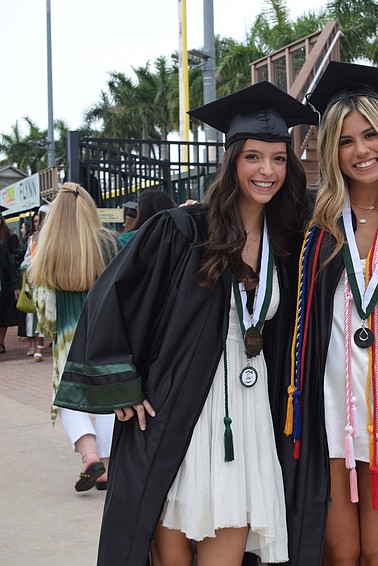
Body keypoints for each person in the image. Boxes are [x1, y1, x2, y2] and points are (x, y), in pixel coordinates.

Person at [53, 81, 316, 565]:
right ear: (232, 160)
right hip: (179, 415)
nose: (267, 170)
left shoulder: (288, 241)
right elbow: (112, 300)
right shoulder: (184, 230)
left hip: (249, 415)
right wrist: (123, 386)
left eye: (278, 158)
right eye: (254, 157)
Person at [281, 62, 378, 565]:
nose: (361, 150)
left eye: (370, 135)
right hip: (330, 402)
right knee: (341, 554)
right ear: (331, 151)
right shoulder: (314, 223)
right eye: (346, 141)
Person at [28, 183, 119, 490]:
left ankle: (89, 455)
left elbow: (47, 310)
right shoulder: (107, 243)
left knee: (69, 400)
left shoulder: (48, 247)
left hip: (68, 337)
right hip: (106, 332)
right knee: (108, 398)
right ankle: (106, 466)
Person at [20, 205, 48, 361]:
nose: (38, 222)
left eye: (40, 218)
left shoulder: (53, 236)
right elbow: (27, 258)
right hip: (36, 280)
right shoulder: (33, 239)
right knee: (37, 312)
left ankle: (41, 346)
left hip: (50, 278)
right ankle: (38, 345)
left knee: (47, 311)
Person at [0, 215, 22, 354]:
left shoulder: (10, 237)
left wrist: (15, 286)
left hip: (5, 279)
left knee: (3, 314)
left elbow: (16, 258)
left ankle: (1, 342)